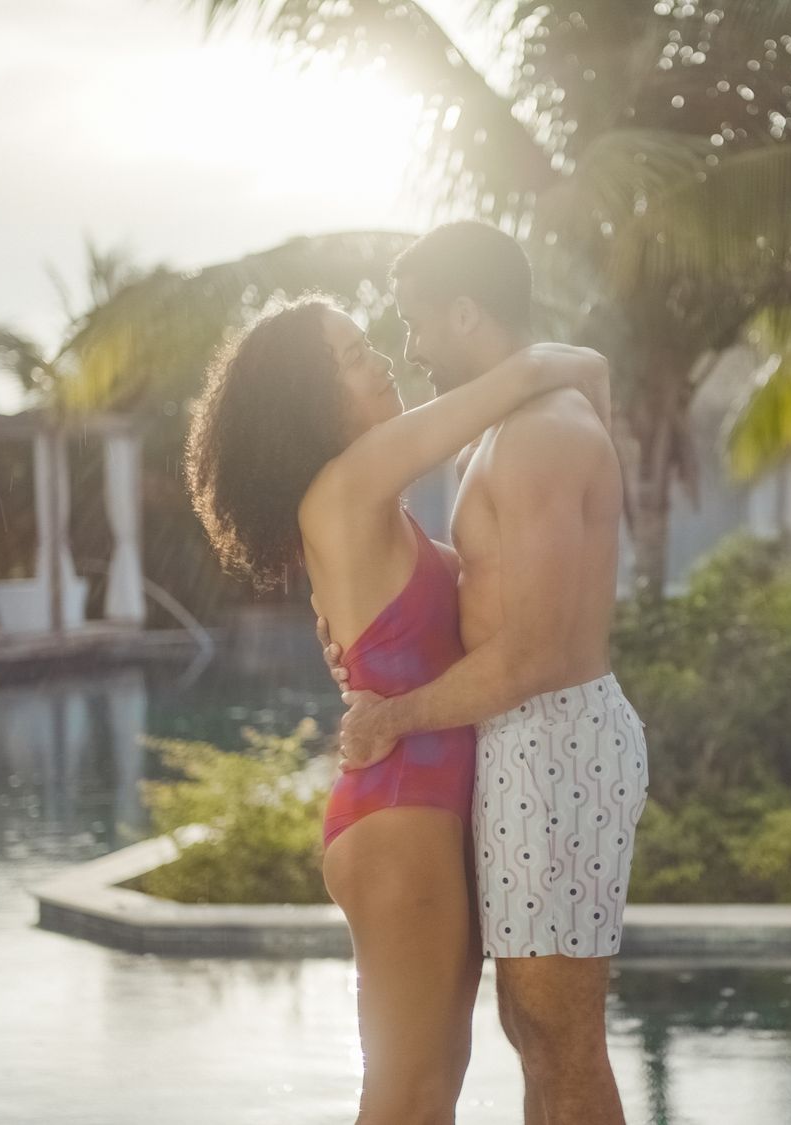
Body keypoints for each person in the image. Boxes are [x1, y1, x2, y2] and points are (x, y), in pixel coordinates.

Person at [185, 294, 607, 1125]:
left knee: (429, 1089)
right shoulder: (346, 485)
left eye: (367, 343)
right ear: (312, 398)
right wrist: (589, 381)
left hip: (414, 815)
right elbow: (522, 374)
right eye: (350, 357)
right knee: (410, 1097)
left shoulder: (378, 510)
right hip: (398, 819)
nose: (378, 360)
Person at [324, 221, 648, 1125]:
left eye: (419, 324)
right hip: (529, 743)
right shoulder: (507, 431)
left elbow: (538, 649)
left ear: (465, 311)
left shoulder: (540, 434)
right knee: (535, 1032)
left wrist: (395, 716)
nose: (414, 349)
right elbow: (493, 595)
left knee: (560, 1038)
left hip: (557, 741)